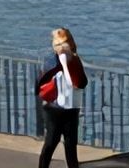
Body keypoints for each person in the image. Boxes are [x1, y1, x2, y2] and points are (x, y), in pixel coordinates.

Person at [36, 27, 89, 168]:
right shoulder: (51, 62)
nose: (60, 48)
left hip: (72, 108)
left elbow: (82, 83)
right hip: (54, 109)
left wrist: (70, 65)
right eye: (57, 45)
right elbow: (40, 83)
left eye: (63, 43)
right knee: (51, 142)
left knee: (71, 146)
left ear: (70, 43)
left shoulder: (76, 61)